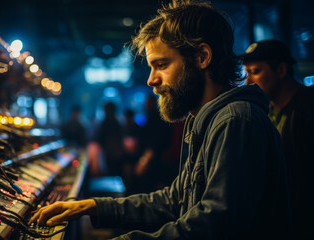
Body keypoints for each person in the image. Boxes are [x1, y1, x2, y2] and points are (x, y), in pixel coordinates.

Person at [29, 1, 291, 239]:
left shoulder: (235, 121)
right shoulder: (206, 119)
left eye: (162, 65)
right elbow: (175, 200)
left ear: (202, 57)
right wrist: (93, 206)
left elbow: (214, 226)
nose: (151, 80)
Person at [241, 39, 314, 239]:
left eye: (255, 72)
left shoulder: (308, 109)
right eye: (246, 72)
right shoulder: (264, 112)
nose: (248, 81)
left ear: (281, 70)